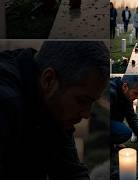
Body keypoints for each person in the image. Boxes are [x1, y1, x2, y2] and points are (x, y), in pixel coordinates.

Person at [0, 41, 109, 180]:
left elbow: (70, 171)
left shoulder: (54, 106)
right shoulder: (6, 102)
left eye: (92, 102)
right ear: (48, 80)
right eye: (82, 101)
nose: (86, 114)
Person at [110, 75, 138, 146]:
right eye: (136, 93)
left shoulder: (127, 96)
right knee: (124, 132)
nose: (137, 97)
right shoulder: (111, 92)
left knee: (124, 131)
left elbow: (131, 116)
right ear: (125, 87)